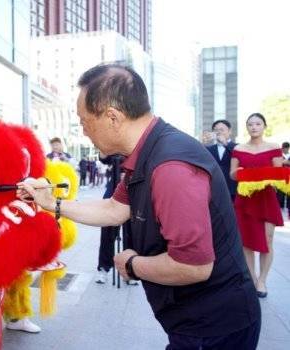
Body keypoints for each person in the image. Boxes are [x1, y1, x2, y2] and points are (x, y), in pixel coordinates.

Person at [17, 63, 260, 349]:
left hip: (214, 326)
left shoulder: (171, 168)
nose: (84, 132)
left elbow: (193, 266)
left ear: (112, 117)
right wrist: (52, 203)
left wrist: (132, 264)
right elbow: (114, 209)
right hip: (192, 320)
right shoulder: (147, 152)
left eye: (85, 122)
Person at [230, 113, 284, 298]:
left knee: (267, 241)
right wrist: (240, 174)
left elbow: (278, 173)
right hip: (245, 199)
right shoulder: (239, 148)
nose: (254, 127)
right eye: (250, 124)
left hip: (266, 198)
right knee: (246, 243)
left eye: (258, 124)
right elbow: (232, 174)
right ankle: (253, 279)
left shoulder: (274, 147)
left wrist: (261, 175)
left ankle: (262, 280)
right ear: (247, 127)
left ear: (264, 126)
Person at [95, 154, 123, 284]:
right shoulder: (115, 145)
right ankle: (104, 268)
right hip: (114, 191)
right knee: (107, 231)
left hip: (135, 189)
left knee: (133, 235)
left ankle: (130, 271)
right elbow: (103, 157)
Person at [205, 119, 237, 200]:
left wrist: (225, 143)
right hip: (214, 190)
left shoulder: (237, 147)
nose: (218, 132)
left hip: (233, 190)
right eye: (215, 130)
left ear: (230, 131)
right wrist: (203, 142)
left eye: (221, 130)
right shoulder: (208, 149)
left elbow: (239, 156)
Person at [277, 141, 290, 218]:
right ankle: (280, 213)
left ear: (288, 148)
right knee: (280, 196)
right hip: (281, 178)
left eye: (286, 148)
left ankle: (288, 213)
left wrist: (284, 162)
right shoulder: (279, 156)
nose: (284, 149)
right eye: (283, 148)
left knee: (288, 196)